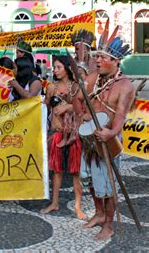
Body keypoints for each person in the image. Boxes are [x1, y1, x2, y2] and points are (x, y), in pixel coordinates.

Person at [75, 35, 135, 241]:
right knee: (88, 178)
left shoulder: (125, 86)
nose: (98, 60)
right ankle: (99, 214)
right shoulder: (93, 78)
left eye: (103, 57)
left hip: (107, 140)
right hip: (89, 137)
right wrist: (81, 113)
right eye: (96, 57)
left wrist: (110, 132)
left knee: (108, 186)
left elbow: (121, 116)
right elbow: (78, 98)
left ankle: (108, 225)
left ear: (115, 61)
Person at [40, 56, 85, 220]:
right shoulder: (51, 87)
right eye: (54, 67)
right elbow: (44, 104)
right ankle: (54, 202)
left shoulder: (77, 87)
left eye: (59, 67)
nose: (55, 70)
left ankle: (78, 206)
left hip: (74, 134)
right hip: (57, 132)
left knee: (76, 172)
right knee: (56, 171)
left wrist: (69, 106)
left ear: (67, 68)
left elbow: (84, 107)